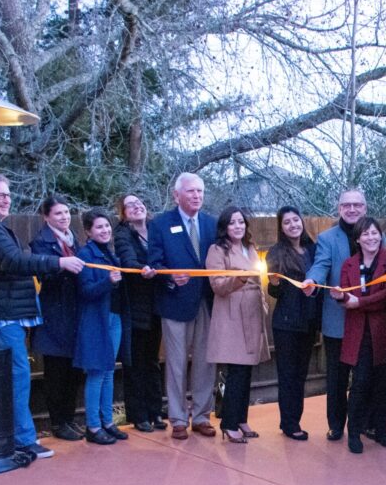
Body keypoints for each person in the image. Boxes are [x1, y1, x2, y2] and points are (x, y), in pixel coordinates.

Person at [0, 174, 84, 460]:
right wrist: (58, 262)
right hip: (1, 315)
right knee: (17, 375)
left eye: (8, 195)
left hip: (7, 313)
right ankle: (23, 440)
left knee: (14, 375)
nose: (6, 199)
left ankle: (14, 437)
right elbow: (12, 261)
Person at [147, 172, 217, 440]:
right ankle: (177, 418)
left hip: (207, 302)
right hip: (175, 301)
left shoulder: (212, 224)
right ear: (177, 195)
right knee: (176, 364)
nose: (197, 196)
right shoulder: (161, 224)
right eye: (191, 191)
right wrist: (169, 276)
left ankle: (201, 417)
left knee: (205, 362)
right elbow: (154, 261)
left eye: (200, 191)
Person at [304, 189, 368, 441]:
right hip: (337, 319)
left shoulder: (373, 234)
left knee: (365, 377)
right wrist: (312, 280)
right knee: (337, 378)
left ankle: (362, 423)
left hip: (366, 318)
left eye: (357, 205)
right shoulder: (328, 238)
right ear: (339, 208)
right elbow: (321, 265)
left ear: (365, 208)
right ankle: (336, 424)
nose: (351, 209)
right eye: (346, 205)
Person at [330, 217, 386, 454]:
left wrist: (359, 302)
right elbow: (347, 297)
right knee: (359, 383)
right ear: (357, 239)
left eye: (375, 233)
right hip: (358, 332)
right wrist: (341, 298)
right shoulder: (348, 264)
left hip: (383, 332)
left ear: (381, 235)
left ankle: (380, 430)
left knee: (383, 384)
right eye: (365, 234)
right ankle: (354, 431)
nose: (371, 238)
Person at [205, 206, 270, 444]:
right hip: (232, 314)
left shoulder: (251, 248)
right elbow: (217, 284)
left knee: (247, 371)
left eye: (241, 222)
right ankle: (229, 423)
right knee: (236, 372)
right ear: (224, 226)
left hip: (252, 312)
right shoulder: (217, 249)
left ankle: (241, 418)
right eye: (232, 223)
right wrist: (240, 277)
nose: (238, 226)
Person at [74, 209, 132, 445]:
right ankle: (93, 426)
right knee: (97, 373)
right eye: (99, 227)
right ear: (88, 231)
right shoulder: (86, 254)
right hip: (97, 320)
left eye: (107, 226)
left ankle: (108, 422)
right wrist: (107, 281)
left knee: (109, 371)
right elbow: (86, 291)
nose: (105, 230)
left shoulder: (109, 252)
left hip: (115, 317)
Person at [30, 195, 84, 442]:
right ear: (46, 217)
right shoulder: (41, 242)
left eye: (66, 212)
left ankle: (69, 419)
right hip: (54, 316)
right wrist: (62, 265)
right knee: (56, 372)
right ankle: (58, 422)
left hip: (75, 315)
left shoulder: (74, 241)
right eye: (58, 213)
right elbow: (44, 276)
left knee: (73, 371)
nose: (64, 217)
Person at [266, 206, 321, 441]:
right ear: (281, 227)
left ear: (302, 222)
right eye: (286, 222)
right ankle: (290, 423)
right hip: (286, 323)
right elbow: (274, 292)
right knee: (287, 375)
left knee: (300, 375)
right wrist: (275, 284)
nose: (292, 225)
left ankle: (292, 419)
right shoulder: (276, 252)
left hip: (308, 321)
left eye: (295, 220)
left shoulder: (313, 249)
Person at [114, 194, 166, 433]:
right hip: (135, 305)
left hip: (157, 305)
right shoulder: (123, 233)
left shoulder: (156, 229)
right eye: (130, 205)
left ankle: (156, 411)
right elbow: (127, 260)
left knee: (153, 361)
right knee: (135, 362)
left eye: (140, 203)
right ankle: (139, 414)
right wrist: (141, 269)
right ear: (123, 213)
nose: (137, 207)